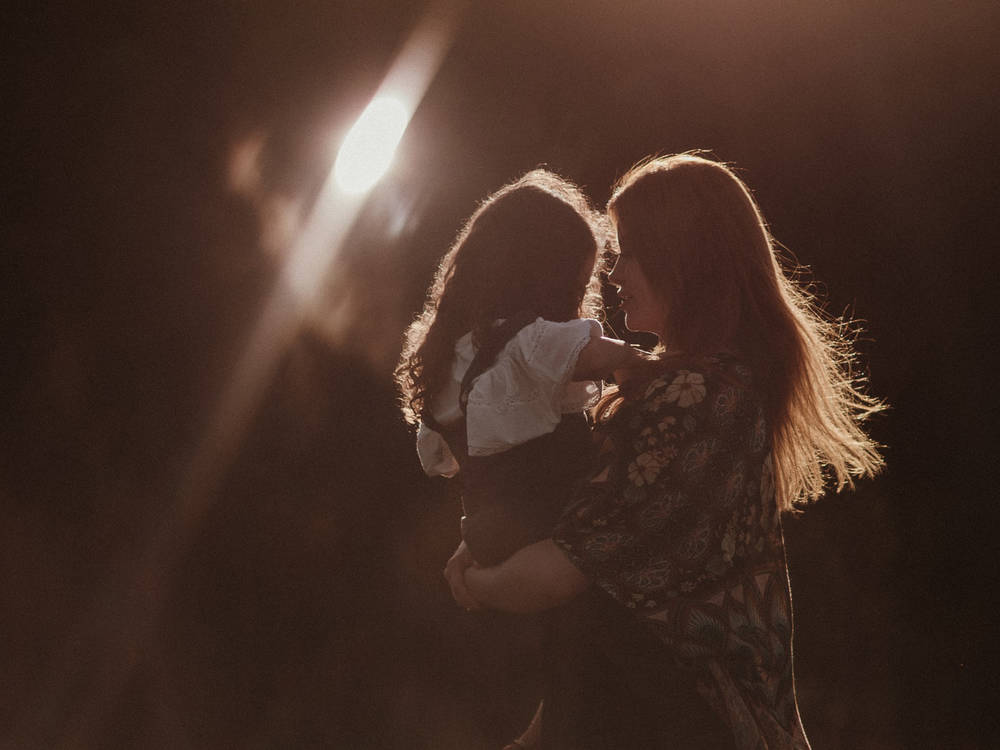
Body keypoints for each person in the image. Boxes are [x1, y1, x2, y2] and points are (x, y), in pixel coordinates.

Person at [446, 152, 885, 749]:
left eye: (628, 251)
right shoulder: (696, 389)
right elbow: (619, 622)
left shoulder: (696, 402)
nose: (614, 274)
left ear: (683, 259)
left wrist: (476, 580)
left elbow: (564, 572)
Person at [395, 168, 648, 568]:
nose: (579, 300)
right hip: (546, 532)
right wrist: (651, 373)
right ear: (545, 278)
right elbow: (618, 357)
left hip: (487, 539)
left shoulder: (457, 357)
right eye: (578, 287)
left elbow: (450, 463)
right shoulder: (529, 345)